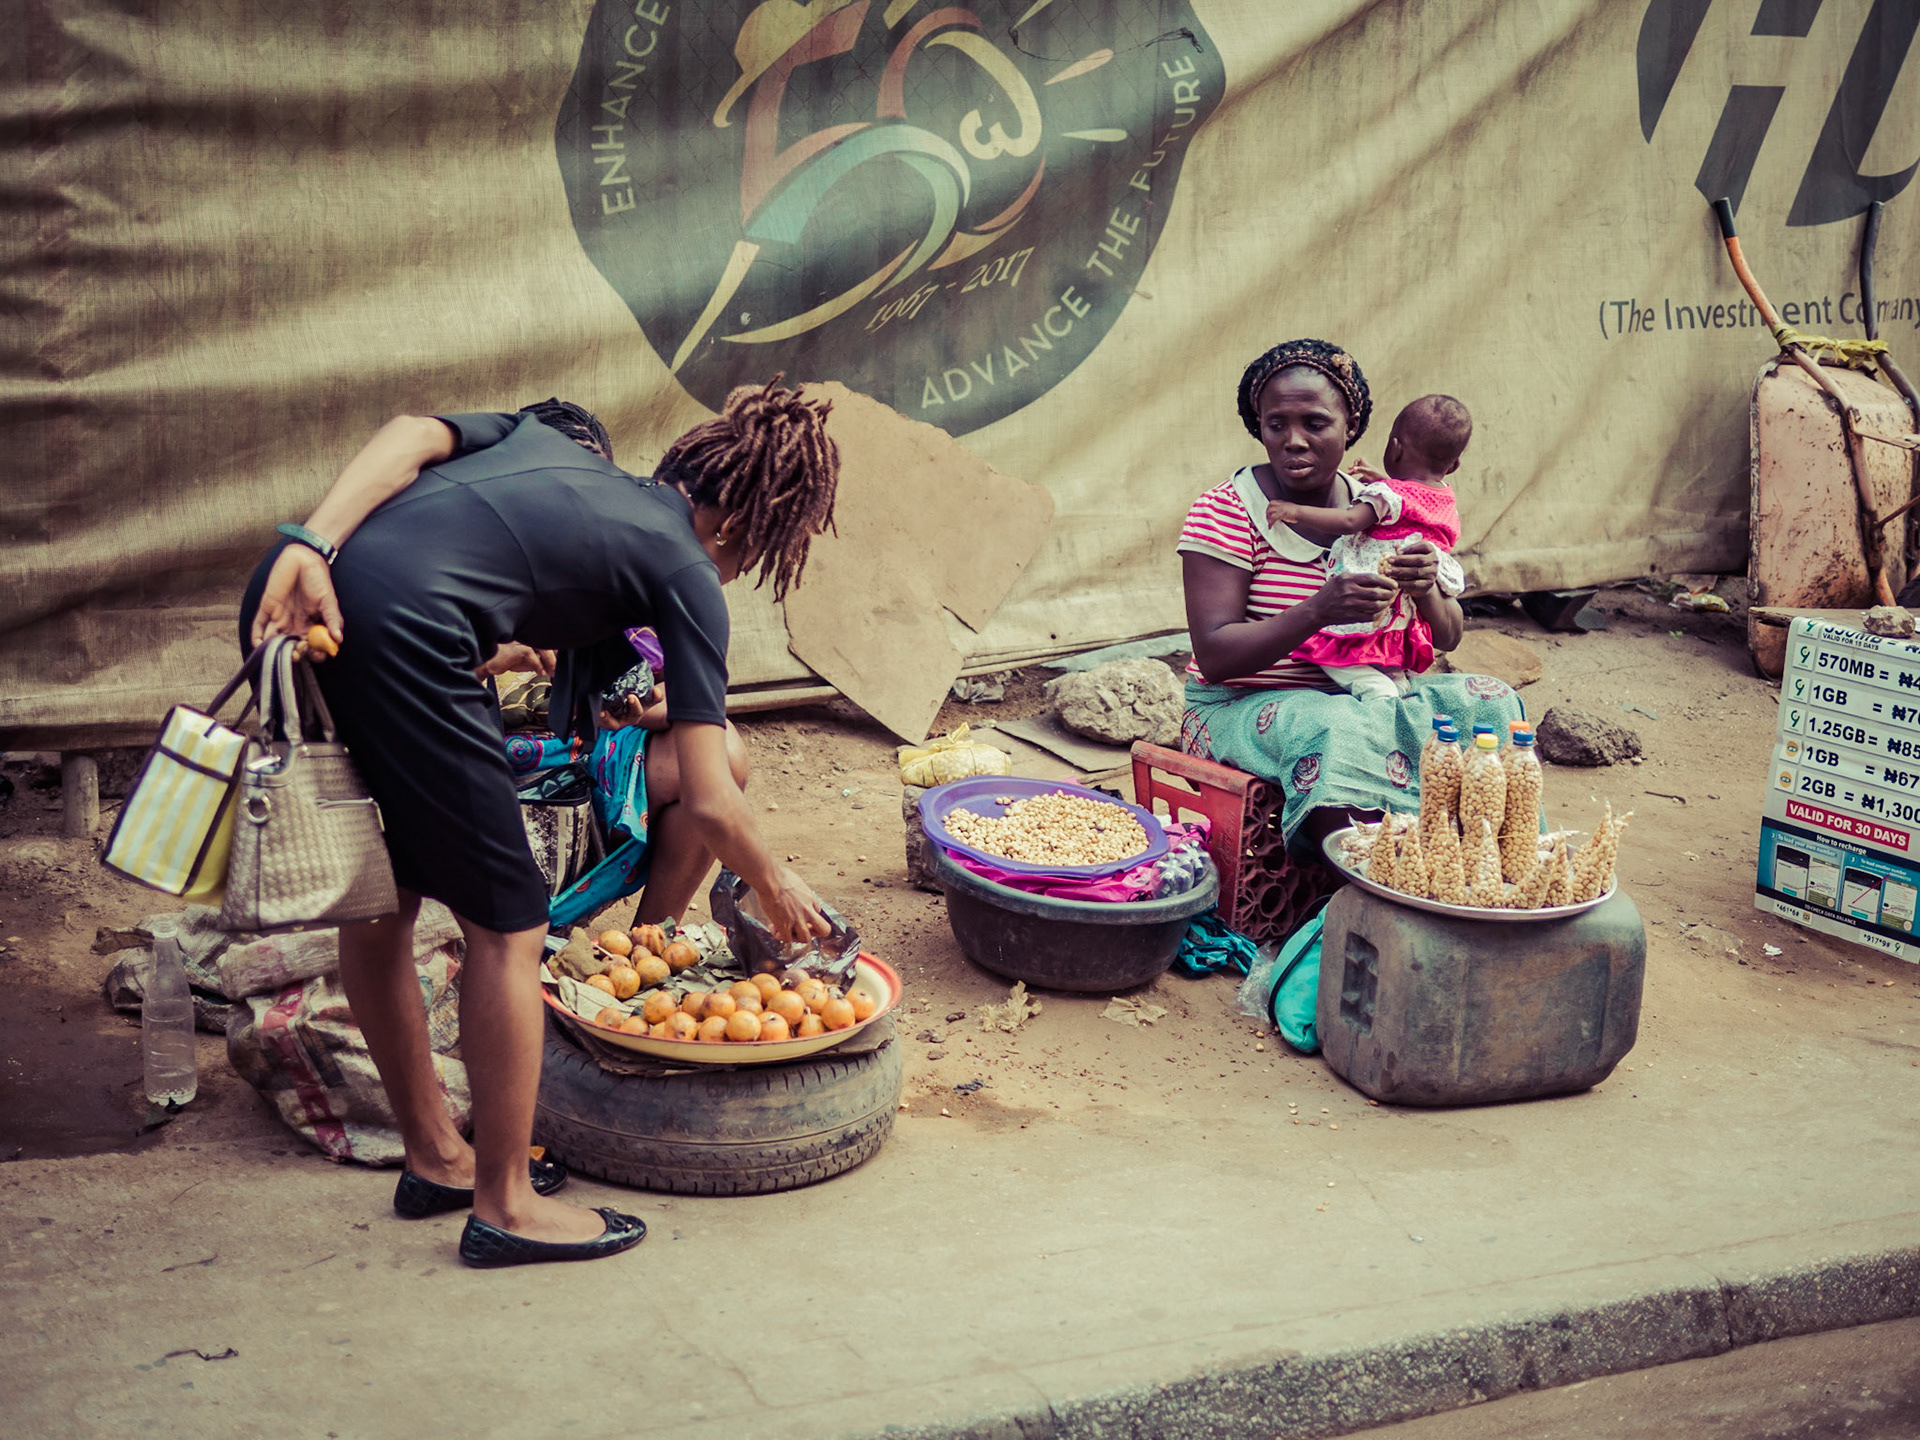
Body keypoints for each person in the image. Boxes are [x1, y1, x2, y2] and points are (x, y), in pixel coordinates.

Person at [241, 382, 836, 1268]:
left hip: (301, 596)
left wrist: (306, 544)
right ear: (748, 526)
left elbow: (409, 433)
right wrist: (777, 881)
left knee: (386, 893)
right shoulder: (685, 569)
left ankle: (439, 1157)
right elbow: (711, 797)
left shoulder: (548, 449)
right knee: (511, 924)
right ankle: (506, 1203)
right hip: (403, 633)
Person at [1179, 340, 1523, 858]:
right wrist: (1319, 609)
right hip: (1240, 707)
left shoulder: (1388, 504)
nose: (1294, 441)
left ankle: (1495, 861)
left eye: (1315, 424)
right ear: (1260, 427)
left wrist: (1425, 586)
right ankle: (1374, 877)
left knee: (1488, 702)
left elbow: (1450, 635)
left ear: (1351, 428)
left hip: (1362, 695)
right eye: (1277, 425)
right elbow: (1216, 655)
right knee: (1334, 724)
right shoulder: (1227, 510)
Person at [1267, 394, 1473, 700]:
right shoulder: (1444, 497)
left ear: (1394, 447)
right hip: (1404, 607)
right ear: (1454, 465)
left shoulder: (1383, 495)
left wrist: (1294, 512)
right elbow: (1409, 500)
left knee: (1337, 655)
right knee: (1387, 645)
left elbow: (1351, 520)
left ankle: (1378, 694)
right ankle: (1393, 682)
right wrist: (1384, 481)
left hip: (1372, 594)